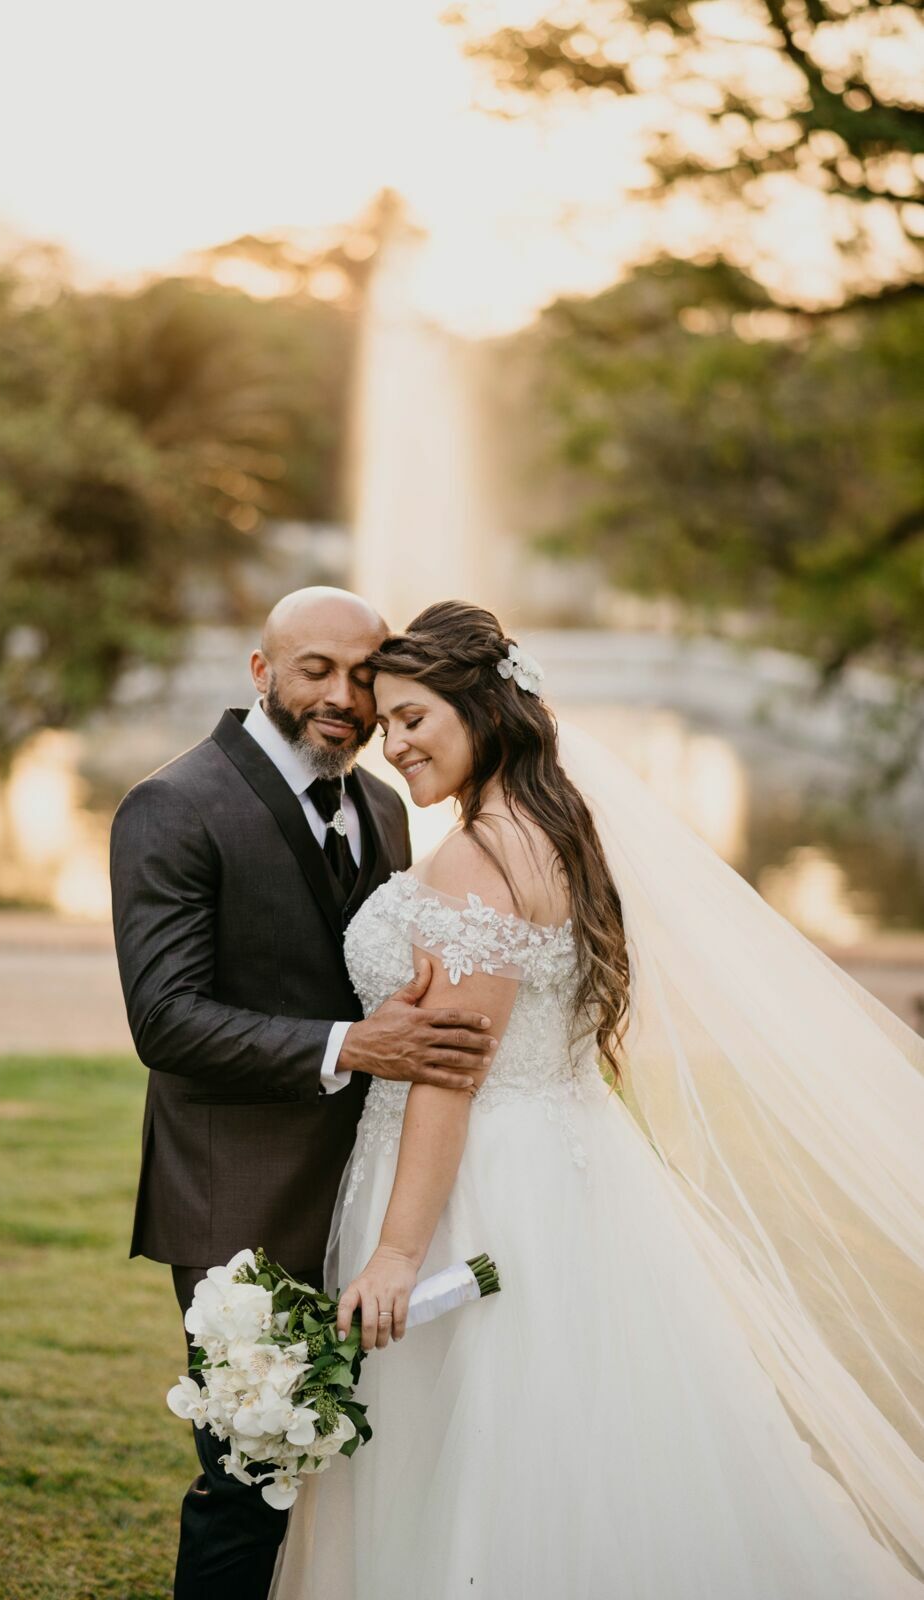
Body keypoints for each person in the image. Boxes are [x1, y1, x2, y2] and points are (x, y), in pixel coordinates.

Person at [273, 600, 924, 1599]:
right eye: (386, 720)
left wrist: (399, 1254)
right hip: (567, 1161)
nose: (391, 742)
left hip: (475, 1184)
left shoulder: (477, 855)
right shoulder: (555, 826)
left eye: (413, 718)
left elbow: (452, 1072)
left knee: (480, 1452)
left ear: (481, 709)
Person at [108, 588, 495, 1600]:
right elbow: (166, 1018)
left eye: (363, 675)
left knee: (367, 1469)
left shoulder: (379, 806)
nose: (341, 695)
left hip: (368, 1199)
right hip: (238, 1199)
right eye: (314, 668)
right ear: (260, 671)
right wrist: (349, 1044)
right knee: (251, 1476)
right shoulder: (173, 804)